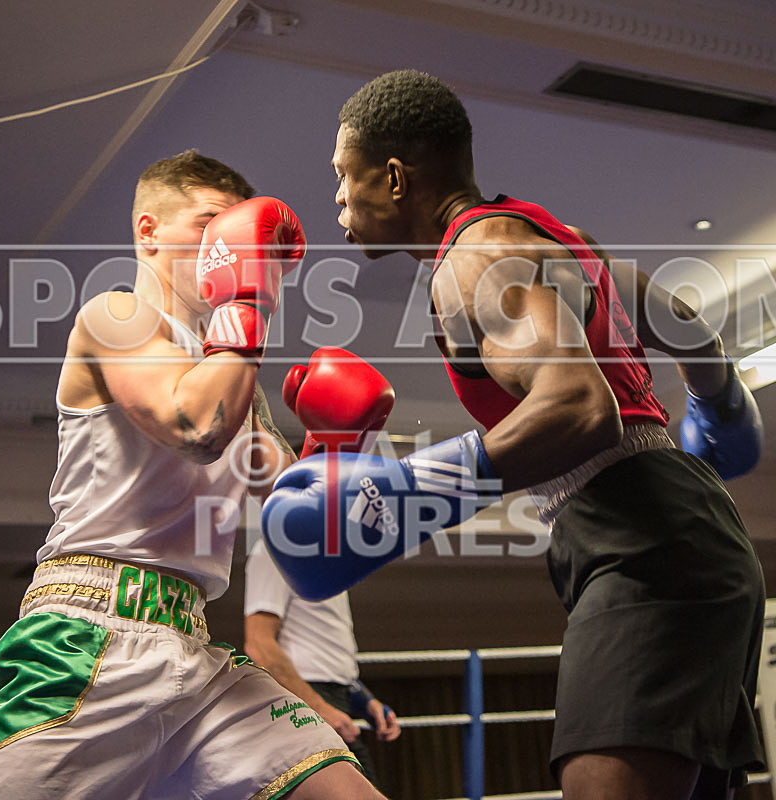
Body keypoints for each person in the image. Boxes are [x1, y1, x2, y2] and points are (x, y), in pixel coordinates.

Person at [261, 71, 766, 800]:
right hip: (675, 529)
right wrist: (719, 403)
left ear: (396, 178)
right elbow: (686, 326)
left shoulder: (477, 257)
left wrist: (406, 495)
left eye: (345, 175)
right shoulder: (546, 235)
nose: (337, 196)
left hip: (645, 539)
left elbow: (577, 405)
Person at [0, 150, 387, 799]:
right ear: (148, 232)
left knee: (344, 790)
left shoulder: (233, 374)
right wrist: (249, 299)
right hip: (84, 636)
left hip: (196, 652)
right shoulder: (116, 318)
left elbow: (298, 518)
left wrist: (334, 446)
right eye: (208, 225)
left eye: (235, 230)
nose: (224, 244)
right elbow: (194, 425)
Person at [245, 538, 401, 789]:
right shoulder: (275, 551)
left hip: (335, 700)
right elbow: (259, 645)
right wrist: (319, 708)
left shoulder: (331, 564)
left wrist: (365, 700)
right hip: (306, 704)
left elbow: (326, 652)